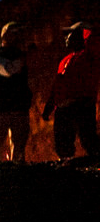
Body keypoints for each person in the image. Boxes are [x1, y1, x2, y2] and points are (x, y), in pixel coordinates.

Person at [43, 21, 100, 160]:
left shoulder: (89, 56)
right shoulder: (64, 61)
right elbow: (57, 85)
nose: (66, 38)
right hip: (63, 107)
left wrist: (86, 29)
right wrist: (49, 106)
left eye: (69, 34)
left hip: (83, 103)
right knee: (62, 142)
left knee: (88, 138)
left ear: (80, 36)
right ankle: (67, 167)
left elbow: (94, 42)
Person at [0, 22, 32, 166]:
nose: (19, 37)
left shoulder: (20, 55)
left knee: (19, 150)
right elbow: (8, 69)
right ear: (7, 36)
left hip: (18, 107)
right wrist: (24, 58)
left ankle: (17, 178)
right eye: (16, 34)